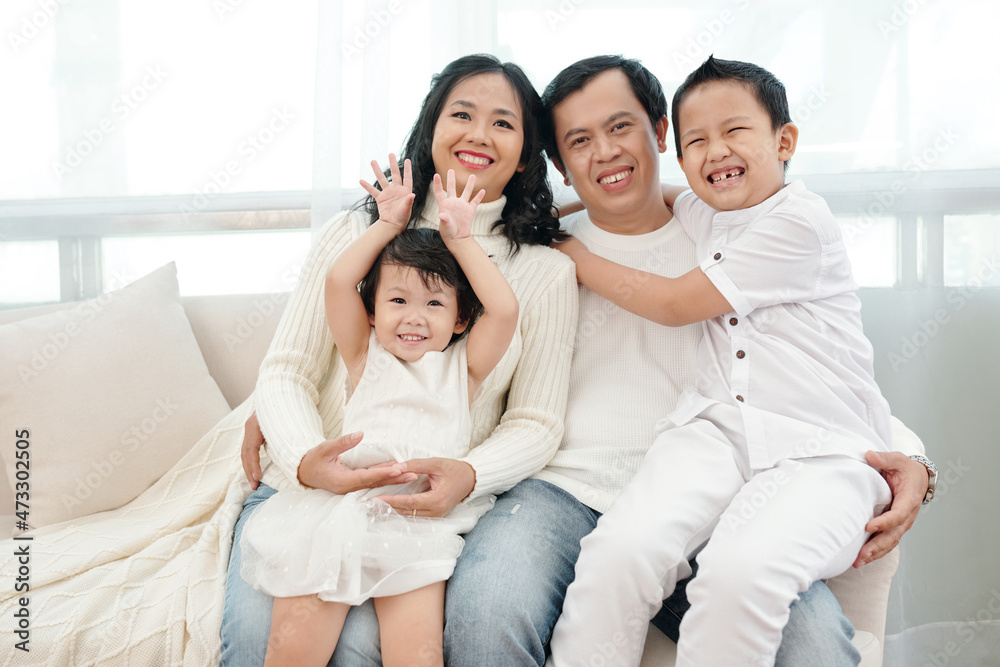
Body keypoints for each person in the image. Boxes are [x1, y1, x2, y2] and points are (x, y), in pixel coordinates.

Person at [240, 55, 934, 667]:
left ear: (660, 134)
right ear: (560, 162)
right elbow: (335, 361)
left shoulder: (724, 226)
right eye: (578, 141)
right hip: (560, 493)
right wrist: (277, 425)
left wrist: (906, 461)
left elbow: (817, 364)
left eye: (621, 127)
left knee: (811, 646)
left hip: (710, 494)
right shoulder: (533, 246)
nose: (604, 152)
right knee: (486, 616)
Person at [218, 54, 579, 666]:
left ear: (525, 154)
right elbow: (288, 371)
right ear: (431, 126)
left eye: (503, 123)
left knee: (377, 650)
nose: (478, 134)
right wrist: (309, 460)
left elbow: (535, 422)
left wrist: (466, 475)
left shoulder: (544, 273)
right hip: (309, 494)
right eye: (461, 114)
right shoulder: (359, 233)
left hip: (421, 509)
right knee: (265, 648)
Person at [547, 55, 903, 667]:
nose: (715, 151)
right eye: (697, 141)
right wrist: (536, 216)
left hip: (819, 450)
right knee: (618, 555)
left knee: (736, 576)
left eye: (734, 131)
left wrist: (566, 250)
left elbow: (672, 302)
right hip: (713, 431)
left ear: (784, 139)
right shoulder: (706, 210)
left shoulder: (800, 222)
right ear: (680, 154)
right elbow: (652, 192)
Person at [239, 158, 520, 665]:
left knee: (417, 657)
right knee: (293, 652)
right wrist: (388, 224)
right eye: (397, 299)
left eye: (435, 305)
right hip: (340, 512)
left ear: (460, 320)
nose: (414, 317)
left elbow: (504, 310)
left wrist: (461, 240)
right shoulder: (364, 354)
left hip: (416, 522)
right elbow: (339, 281)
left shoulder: (464, 368)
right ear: (373, 312)